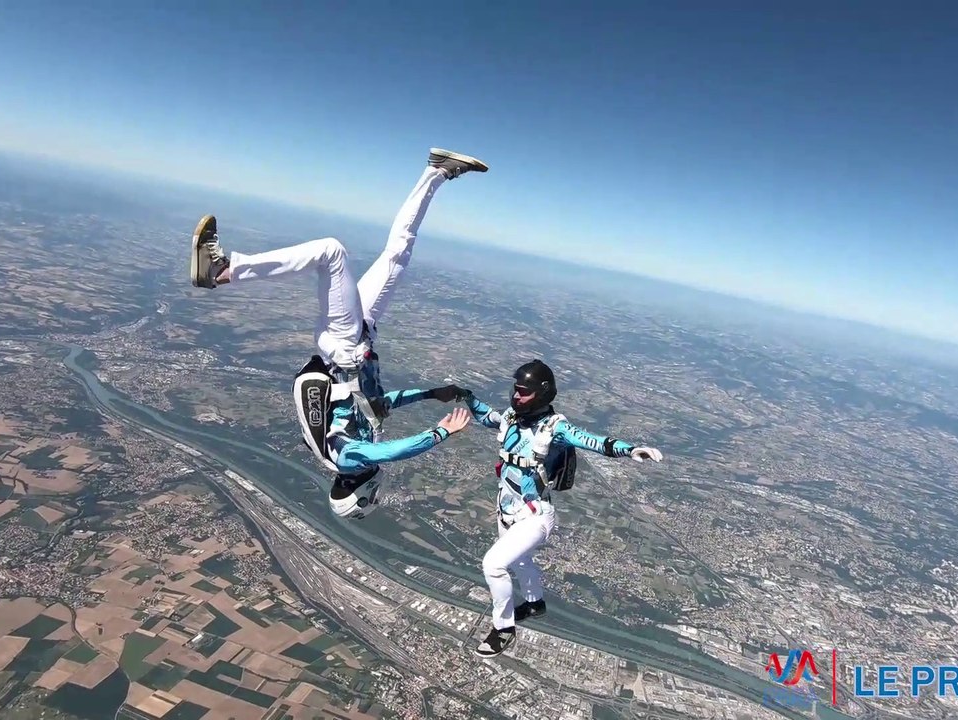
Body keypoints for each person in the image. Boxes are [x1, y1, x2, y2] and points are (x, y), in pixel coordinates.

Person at [188, 148, 488, 519]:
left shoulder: (347, 458)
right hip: (361, 335)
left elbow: (394, 451)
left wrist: (440, 433)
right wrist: (431, 394)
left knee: (331, 252)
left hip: (345, 344)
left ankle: (222, 271)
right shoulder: (355, 441)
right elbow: (383, 403)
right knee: (398, 253)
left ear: (360, 494)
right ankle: (437, 173)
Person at [460, 359, 663, 657]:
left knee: (493, 565)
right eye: (515, 390)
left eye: (523, 392)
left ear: (541, 394)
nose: (516, 397)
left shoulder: (556, 428)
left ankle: (503, 628)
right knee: (520, 561)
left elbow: (592, 441)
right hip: (508, 511)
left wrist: (630, 450)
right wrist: (466, 396)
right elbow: (487, 417)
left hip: (535, 516)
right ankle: (534, 603)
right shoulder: (512, 418)